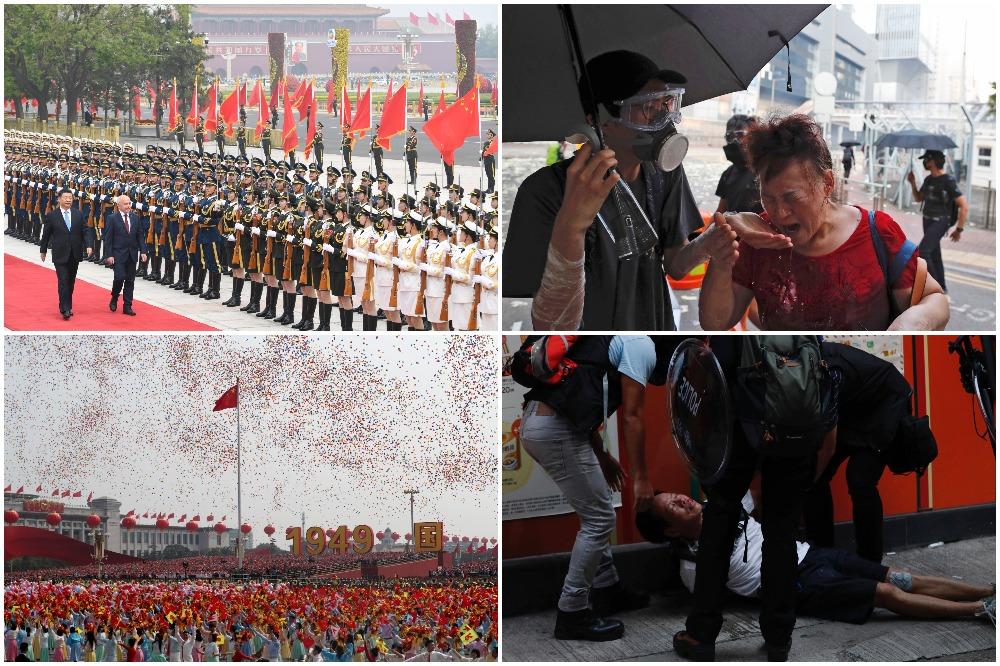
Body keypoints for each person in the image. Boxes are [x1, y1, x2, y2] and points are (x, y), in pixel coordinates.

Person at [504, 50, 710, 331]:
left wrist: (710, 244)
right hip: (587, 356)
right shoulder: (544, 192)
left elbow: (676, 264)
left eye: (668, 103)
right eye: (648, 107)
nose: (664, 119)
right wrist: (572, 226)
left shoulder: (666, 173)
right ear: (599, 120)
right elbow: (552, 325)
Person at [698, 114, 949, 331]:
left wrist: (911, 324)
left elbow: (934, 299)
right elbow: (715, 322)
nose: (780, 213)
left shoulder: (877, 232)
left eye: (792, 198)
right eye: (768, 198)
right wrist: (721, 259)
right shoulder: (756, 240)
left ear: (827, 183)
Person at [671, 336, 837, 662]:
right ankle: (778, 637)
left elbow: (714, 374)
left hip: (741, 426)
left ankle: (701, 634)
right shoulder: (805, 315)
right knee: (782, 531)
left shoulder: (741, 319)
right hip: (796, 429)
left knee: (719, 522)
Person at [638, 489, 996, 635]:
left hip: (811, 553)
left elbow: (758, 489)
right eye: (673, 506)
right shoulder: (691, 566)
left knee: (897, 575)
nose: (683, 500)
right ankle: (980, 610)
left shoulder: (723, 503)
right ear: (670, 531)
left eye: (676, 495)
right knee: (886, 593)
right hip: (797, 584)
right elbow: (714, 600)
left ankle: (989, 590)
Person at [516, 335, 672, 641]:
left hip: (548, 423)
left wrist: (601, 455)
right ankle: (572, 612)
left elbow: (580, 397)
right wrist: (640, 477)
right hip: (554, 429)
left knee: (595, 510)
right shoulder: (641, 344)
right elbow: (632, 414)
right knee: (599, 518)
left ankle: (608, 588)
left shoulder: (612, 342)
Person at [804, 342, 917, 564]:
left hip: (886, 404)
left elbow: (828, 447)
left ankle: (870, 561)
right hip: (854, 407)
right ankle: (823, 554)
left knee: (860, 481)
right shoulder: (803, 366)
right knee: (815, 480)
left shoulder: (825, 371)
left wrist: (808, 479)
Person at [906, 149, 969, 293]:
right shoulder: (929, 179)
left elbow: (964, 206)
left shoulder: (948, 181)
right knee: (934, 254)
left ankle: (934, 288)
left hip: (940, 221)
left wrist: (959, 229)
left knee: (923, 252)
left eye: (926, 160)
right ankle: (942, 287)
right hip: (927, 220)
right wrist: (912, 183)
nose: (924, 163)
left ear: (933, 161)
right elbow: (919, 198)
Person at [40, 188, 94, 319]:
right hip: (60, 253)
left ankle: (66, 304)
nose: (69, 199)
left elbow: (85, 230)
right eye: (65, 197)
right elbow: (46, 235)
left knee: (70, 282)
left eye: (70, 197)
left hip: (74, 253)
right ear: (59, 199)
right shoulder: (52, 215)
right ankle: (65, 308)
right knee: (63, 281)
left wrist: (88, 245)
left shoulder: (78, 214)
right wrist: (43, 250)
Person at [103, 194, 148, 316]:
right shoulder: (112, 218)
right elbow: (108, 239)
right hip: (118, 254)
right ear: (118, 206)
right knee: (119, 277)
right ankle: (114, 297)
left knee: (130, 280)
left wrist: (143, 251)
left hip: (132, 254)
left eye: (129, 203)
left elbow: (140, 236)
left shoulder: (135, 218)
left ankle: (127, 306)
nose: (128, 206)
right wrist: (109, 255)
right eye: (125, 204)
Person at [715, 114, 762, 215]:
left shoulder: (763, 171)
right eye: (730, 136)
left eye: (740, 135)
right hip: (733, 229)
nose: (735, 141)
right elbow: (721, 210)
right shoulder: (727, 174)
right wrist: (706, 231)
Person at [481, 129, 497, 194]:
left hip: (490, 159)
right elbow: (483, 151)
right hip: (486, 160)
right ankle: (489, 188)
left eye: (488, 134)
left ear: (491, 135)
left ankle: (491, 189)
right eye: (487, 134)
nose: (487, 135)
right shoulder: (486, 142)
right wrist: (481, 158)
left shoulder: (493, 142)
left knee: (491, 175)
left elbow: (491, 150)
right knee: (488, 174)